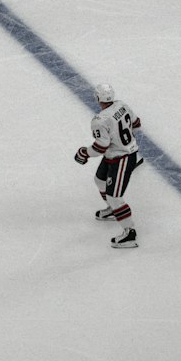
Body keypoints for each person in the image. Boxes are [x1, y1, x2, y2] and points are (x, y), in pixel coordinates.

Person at [74, 81, 142, 249]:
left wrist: (84, 152)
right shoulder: (122, 105)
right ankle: (113, 210)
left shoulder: (99, 120)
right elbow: (137, 124)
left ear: (98, 98)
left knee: (114, 197)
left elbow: (99, 148)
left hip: (122, 158)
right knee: (99, 180)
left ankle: (130, 233)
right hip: (116, 154)